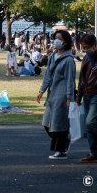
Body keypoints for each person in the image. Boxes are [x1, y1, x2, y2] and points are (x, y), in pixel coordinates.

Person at [36, 30, 76, 160]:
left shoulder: (69, 60)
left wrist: (69, 98)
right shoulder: (53, 55)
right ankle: (64, 143)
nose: (55, 41)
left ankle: (60, 150)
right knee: (47, 123)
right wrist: (41, 90)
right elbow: (48, 75)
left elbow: (70, 80)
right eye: (55, 38)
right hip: (52, 93)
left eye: (58, 38)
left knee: (58, 123)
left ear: (65, 42)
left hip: (62, 94)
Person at [76, 34, 97, 163]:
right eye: (84, 48)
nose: (86, 50)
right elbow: (82, 78)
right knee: (89, 126)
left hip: (96, 94)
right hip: (87, 94)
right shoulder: (86, 58)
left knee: (90, 122)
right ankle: (93, 152)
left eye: (88, 47)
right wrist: (79, 96)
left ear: (95, 44)